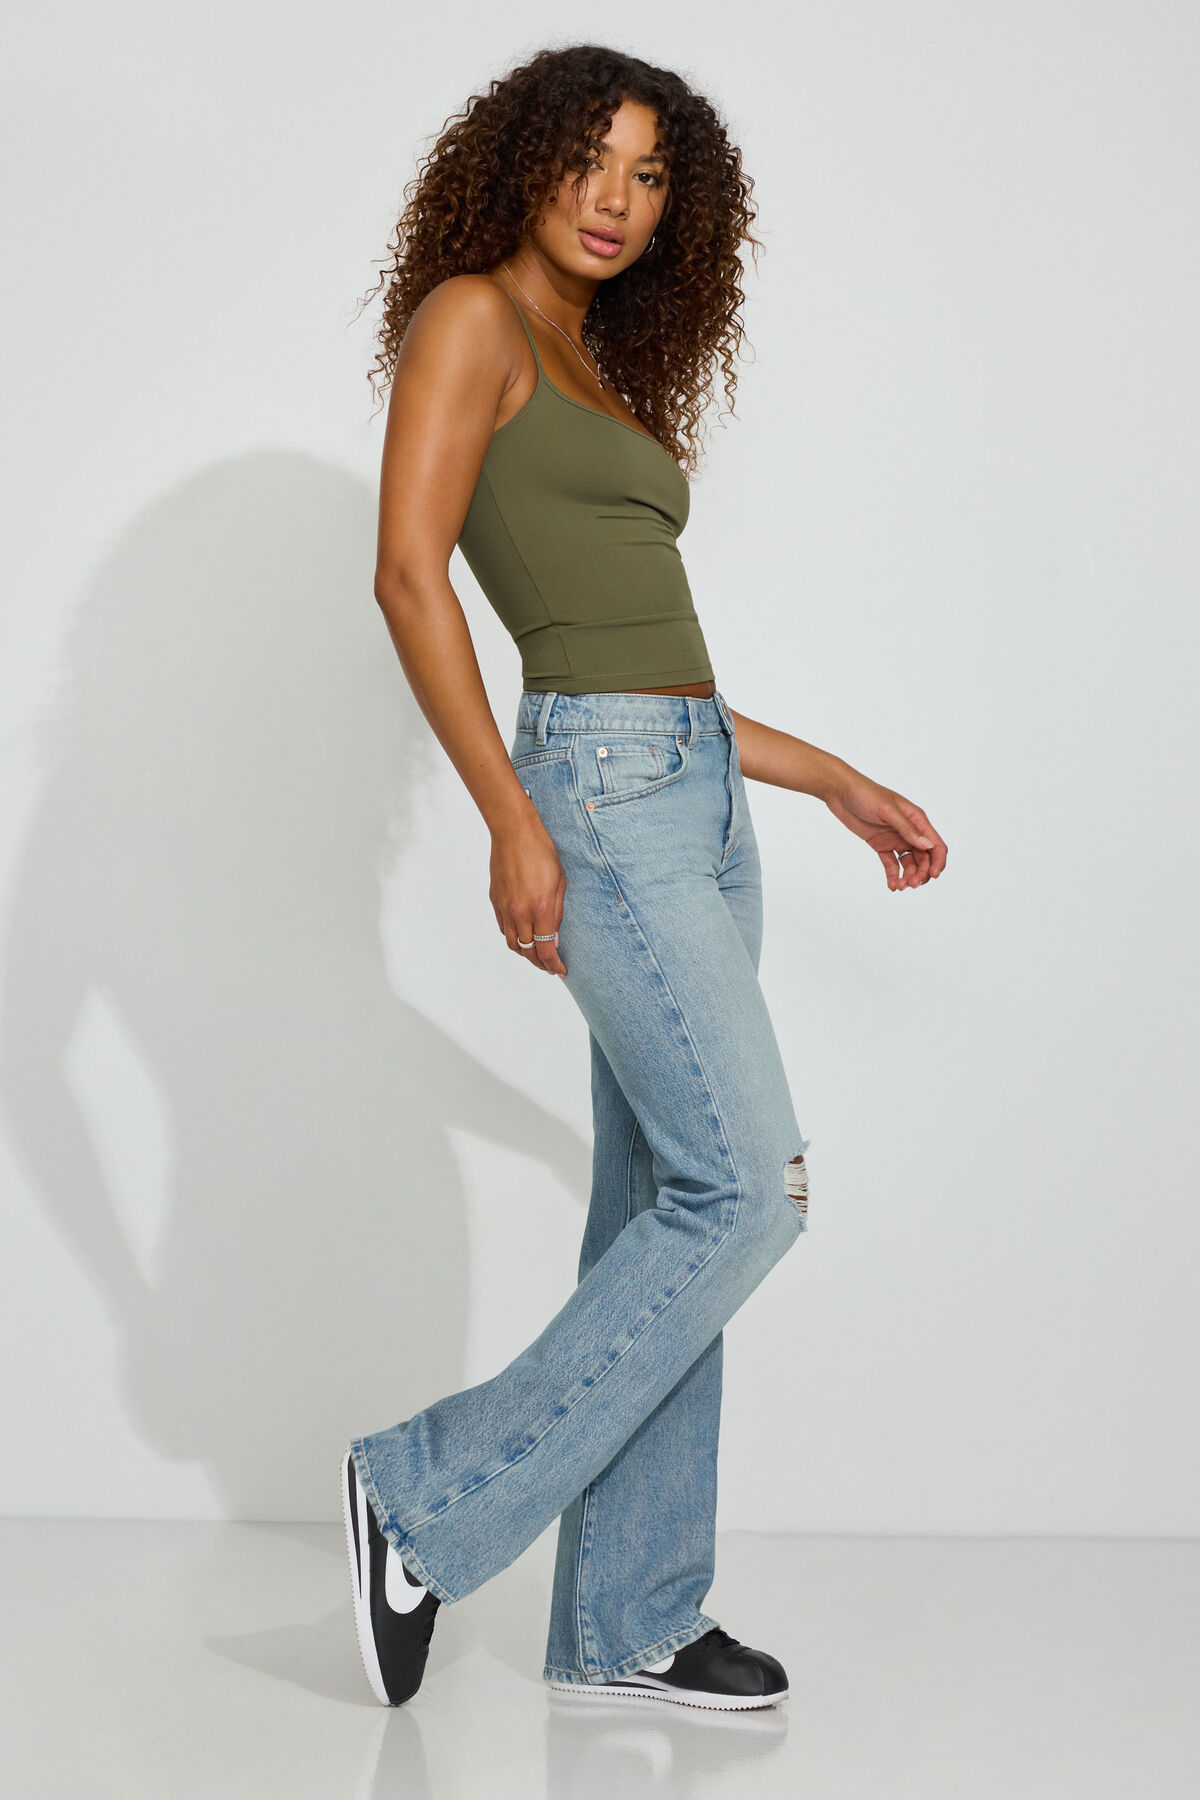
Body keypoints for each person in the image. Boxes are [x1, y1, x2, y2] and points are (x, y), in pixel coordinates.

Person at [340, 43, 948, 1713]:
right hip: (600, 798)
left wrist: (832, 780)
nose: (616, 199)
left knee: (663, 1205)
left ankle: (633, 1615)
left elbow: (654, 668)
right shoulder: (472, 318)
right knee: (750, 1193)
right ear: (523, 163)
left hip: (692, 791)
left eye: (651, 174)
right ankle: (424, 1494)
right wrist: (507, 816)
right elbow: (408, 577)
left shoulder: (591, 360)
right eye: (590, 160)